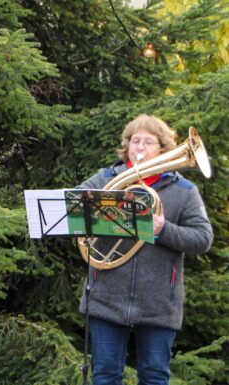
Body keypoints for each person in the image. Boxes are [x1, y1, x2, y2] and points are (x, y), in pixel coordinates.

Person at [77, 114, 213, 385]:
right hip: (107, 296)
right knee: (104, 376)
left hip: (158, 302)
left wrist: (162, 229)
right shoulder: (106, 178)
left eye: (148, 142)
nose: (139, 147)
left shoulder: (184, 191)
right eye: (134, 141)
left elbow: (202, 239)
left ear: (163, 148)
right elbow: (75, 210)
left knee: (153, 377)